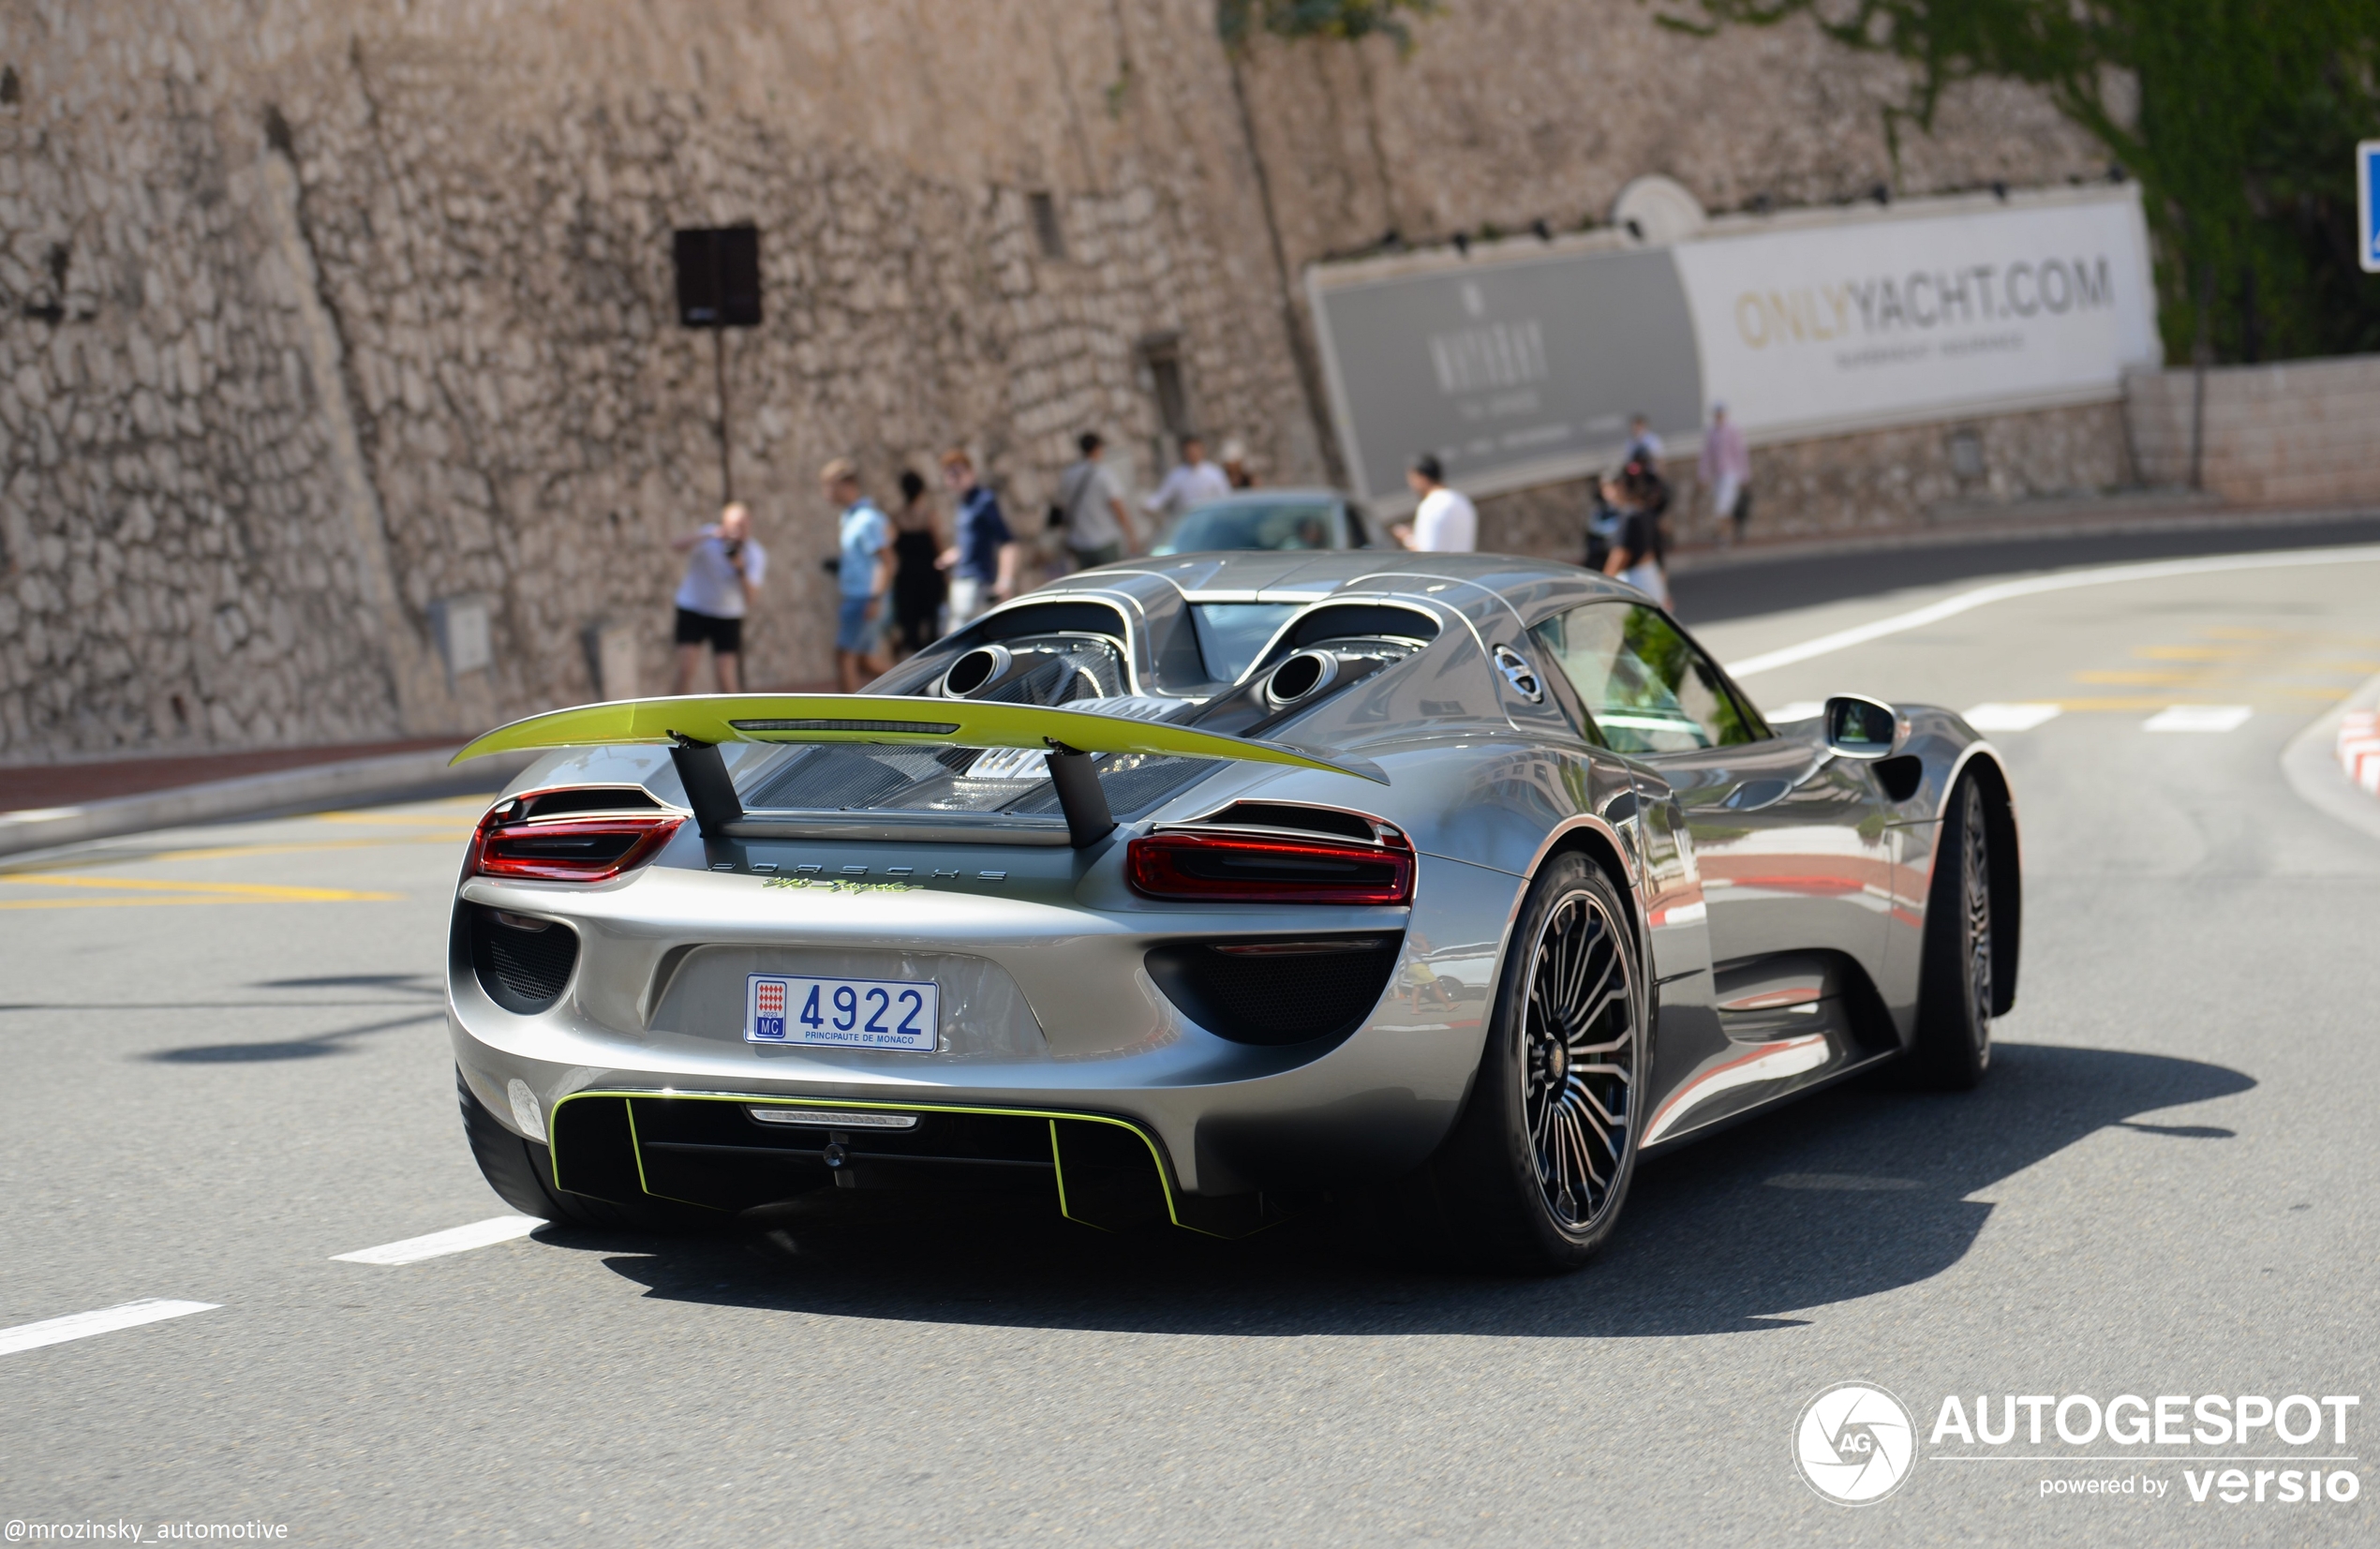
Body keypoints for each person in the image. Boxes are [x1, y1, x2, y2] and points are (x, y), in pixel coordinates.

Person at [669, 500, 766, 694]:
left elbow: (751, 597)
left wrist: (740, 569)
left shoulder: (754, 553)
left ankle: (733, 721)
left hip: (727, 615)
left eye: (744, 525)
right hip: (693, 608)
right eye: (735, 526)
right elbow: (676, 546)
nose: (740, 531)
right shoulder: (708, 538)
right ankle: (669, 717)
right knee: (686, 668)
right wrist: (708, 535)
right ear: (725, 524)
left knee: (725, 673)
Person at [823, 458, 891, 692]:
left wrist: (875, 598)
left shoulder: (867, 519)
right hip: (856, 596)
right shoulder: (850, 517)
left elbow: (887, 561)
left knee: (845, 657)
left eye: (830, 485)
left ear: (846, 484)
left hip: (863, 598)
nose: (827, 493)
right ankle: (919, 687)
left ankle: (848, 717)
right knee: (864, 661)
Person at [936, 448, 1017, 630]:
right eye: (949, 475)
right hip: (961, 578)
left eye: (957, 473)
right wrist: (954, 555)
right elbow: (972, 542)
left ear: (970, 473)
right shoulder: (963, 504)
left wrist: (1005, 581)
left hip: (976, 581)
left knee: (960, 637)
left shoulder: (984, 501)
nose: (954, 479)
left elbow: (1007, 542)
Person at [1055, 431, 1138, 570]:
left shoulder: (1068, 475)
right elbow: (1117, 506)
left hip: (1080, 543)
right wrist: (1130, 535)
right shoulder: (1103, 474)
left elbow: (1062, 506)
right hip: (1105, 540)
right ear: (1098, 448)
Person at [887, 469, 945, 659]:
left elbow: (890, 546)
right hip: (928, 577)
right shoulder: (929, 516)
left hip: (906, 578)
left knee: (910, 626)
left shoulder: (897, 518)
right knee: (931, 626)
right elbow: (939, 548)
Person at [1601, 467, 1670, 608]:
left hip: (1636, 579)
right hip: (1650, 574)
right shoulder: (1643, 511)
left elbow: (1621, 552)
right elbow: (1657, 548)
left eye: (1607, 488)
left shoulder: (1628, 516)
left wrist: (1603, 582)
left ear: (1620, 487)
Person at [1142, 434, 1231, 529]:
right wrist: (1148, 506)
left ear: (1202, 450)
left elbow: (1225, 497)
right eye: (1189, 451)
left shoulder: (1214, 473)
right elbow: (1161, 497)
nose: (1193, 453)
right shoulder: (1177, 476)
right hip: (1186, 526)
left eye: (1195, 449)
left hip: (1212, 524)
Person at [1392, 454, 1477, 552]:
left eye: (1412, 479)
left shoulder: (1430, 506)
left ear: (1421, 478)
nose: (1411, 486)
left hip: (1443, 567)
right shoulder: (1461, 500)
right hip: (1467, 565)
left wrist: (1407, 538)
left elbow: (1426, 554)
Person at [1698, 400, 1752, 545]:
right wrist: (1703, 475)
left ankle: (1724, 538)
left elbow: (1740, 453)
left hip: (1731, 473)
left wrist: (1744, 475)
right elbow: (1707, 455)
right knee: (1721, 508)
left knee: (1722, 507)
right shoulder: (1711, 432)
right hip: (1717, 474)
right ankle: (1730, 531)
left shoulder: (1733, 429)